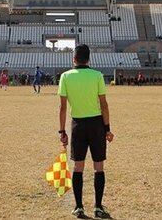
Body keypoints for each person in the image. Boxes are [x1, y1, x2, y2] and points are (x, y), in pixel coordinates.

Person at [57, 44, 114, 219]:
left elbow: (62, 107)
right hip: (96, 124)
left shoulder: (65, 76)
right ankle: (98, 207)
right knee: (98, 167)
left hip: (78, 125)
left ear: (73, 58)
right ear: (89, 59)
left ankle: (79, 207)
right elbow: (104, 105)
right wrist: (107, 129)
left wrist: (62, 131)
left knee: (78, 167)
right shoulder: (97, 76)